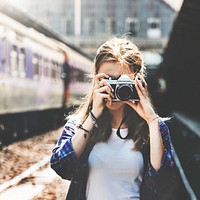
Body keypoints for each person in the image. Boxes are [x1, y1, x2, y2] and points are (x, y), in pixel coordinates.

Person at [50, 37, 179, 200]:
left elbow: (163, 185)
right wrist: (93, 116)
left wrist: (152, 121)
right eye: (108, 80)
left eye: (122, 81)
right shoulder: (80, 124)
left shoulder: (154, 128)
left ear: (138, 81)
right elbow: (62, 166)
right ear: (96, 79)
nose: (114, 89)